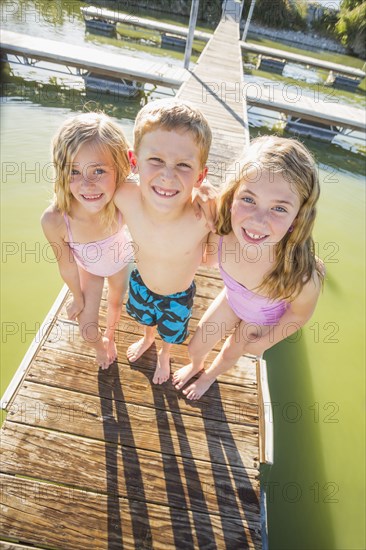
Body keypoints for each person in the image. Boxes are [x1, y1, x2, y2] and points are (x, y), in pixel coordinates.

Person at [172, 135, 325, 400]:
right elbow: (201, 249)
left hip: (261, 318)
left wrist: (266, 341)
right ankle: (197, 365)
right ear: (231, 197)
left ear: (297, 218)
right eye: (249, 200)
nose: (257, 220)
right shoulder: (222, 234)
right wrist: (200, 189)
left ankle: (208, 377)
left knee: (231, 352)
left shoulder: (300, 275)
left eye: (278, 208)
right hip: (233, 298)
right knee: (196, 346)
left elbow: (298, 316)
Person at [113, 98, 213, 384]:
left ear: (200, 175)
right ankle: (147, 339)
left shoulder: (203, 216)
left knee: (169, 331)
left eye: (183, 165)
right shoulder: (124, 196)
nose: (168, 176)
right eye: (155, 160)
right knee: (145, 319)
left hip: (178, 294)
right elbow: (89, 187)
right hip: (141, 281)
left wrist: (212, 196)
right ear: (134, 161)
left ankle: (164, 354)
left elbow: (216, 256)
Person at [41, 112, 133, 369]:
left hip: (119, 262)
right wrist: (77, 297)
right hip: (88, 270)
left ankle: (111, 337)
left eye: (99, 170)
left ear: (121, 168)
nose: (87, 184)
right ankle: (99, 345)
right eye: (74, 171)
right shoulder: (56, 220)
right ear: (61, 171)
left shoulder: (123, 201)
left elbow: (163, 193)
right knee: (87, 329)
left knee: (115, 303)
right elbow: (67, 264)